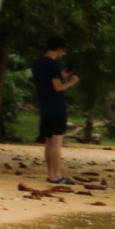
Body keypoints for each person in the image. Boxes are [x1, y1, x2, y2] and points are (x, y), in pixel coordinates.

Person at [31, 37, 80, 184]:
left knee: (48, 141)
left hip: (44, 105)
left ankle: (50, 173)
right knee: (57, 142)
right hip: (56, 107)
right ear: (59, 49)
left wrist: (62, 75)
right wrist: (71, 82)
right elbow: (57, 87)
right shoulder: (53, 65)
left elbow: (48, 78)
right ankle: (56, 175)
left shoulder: (38, 63)